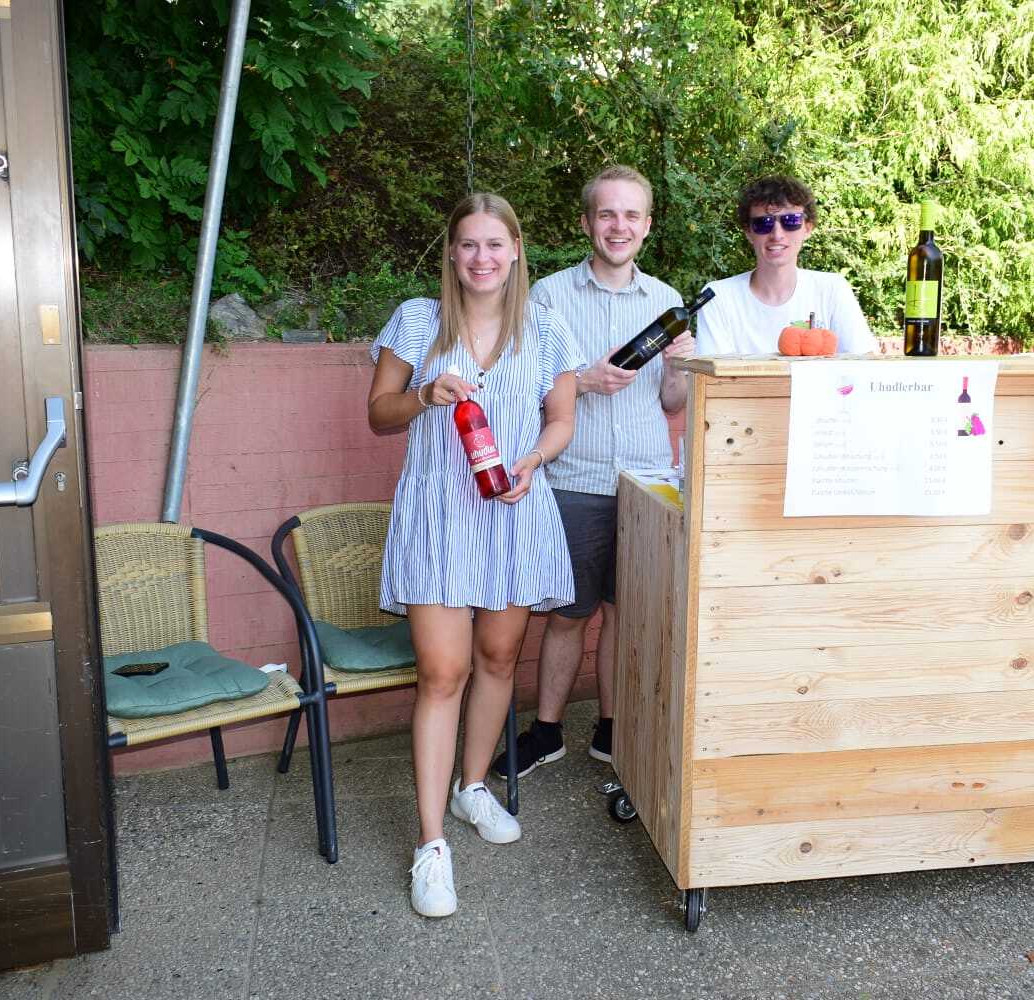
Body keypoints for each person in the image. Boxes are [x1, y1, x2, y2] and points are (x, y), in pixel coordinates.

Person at [367, 192, 582, 919]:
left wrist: (534, 460)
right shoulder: (417, 319)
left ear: (516, 251)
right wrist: (425, 394)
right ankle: (431, 845)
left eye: (495, 244)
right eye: (468, 244)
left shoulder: (546, 327)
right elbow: (378, 412)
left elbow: (562, 419)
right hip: (437, 516)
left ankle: (473, 787)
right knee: (442, 672)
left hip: (513, 509)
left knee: (498, 658)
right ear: (452, 253)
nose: (481, 257)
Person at [491, 165, 693, 780]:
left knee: (625, 616)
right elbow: (520, 386)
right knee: (567, 615)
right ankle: (548, 730)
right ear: (587, 223)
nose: (619, 226)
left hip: (647, 486)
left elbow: (673, 403)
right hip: (573, 481)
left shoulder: (667, 302)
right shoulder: (548, 297)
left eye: (631, 215)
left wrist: (677, 369)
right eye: (607, 214)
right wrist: (582, 380)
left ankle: (612, 727)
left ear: (647, 226)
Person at [696, 175, 875, 355]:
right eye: (763, 223)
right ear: (748, 232)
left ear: (808, 228)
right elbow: (713, 372)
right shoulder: (718, 297)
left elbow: (863, 362)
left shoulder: (832, 289)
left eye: (791, 221)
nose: (777, 235)